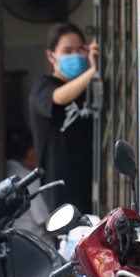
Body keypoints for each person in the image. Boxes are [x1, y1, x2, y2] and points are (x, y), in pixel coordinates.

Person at [29, 22, 99, 213]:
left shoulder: (91, 89)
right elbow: (59, 97)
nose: (75, 56)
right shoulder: (43, 86)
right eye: (67, 51)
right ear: (51, 56)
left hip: (93, 183)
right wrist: (93, 71)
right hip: (62, 188)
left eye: (80, 50)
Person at [5, 125, 53, 245]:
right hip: (37, 243)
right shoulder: (28, 177)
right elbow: (45, 222)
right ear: (32, 152)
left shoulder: (5, 170)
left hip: (14, 242)